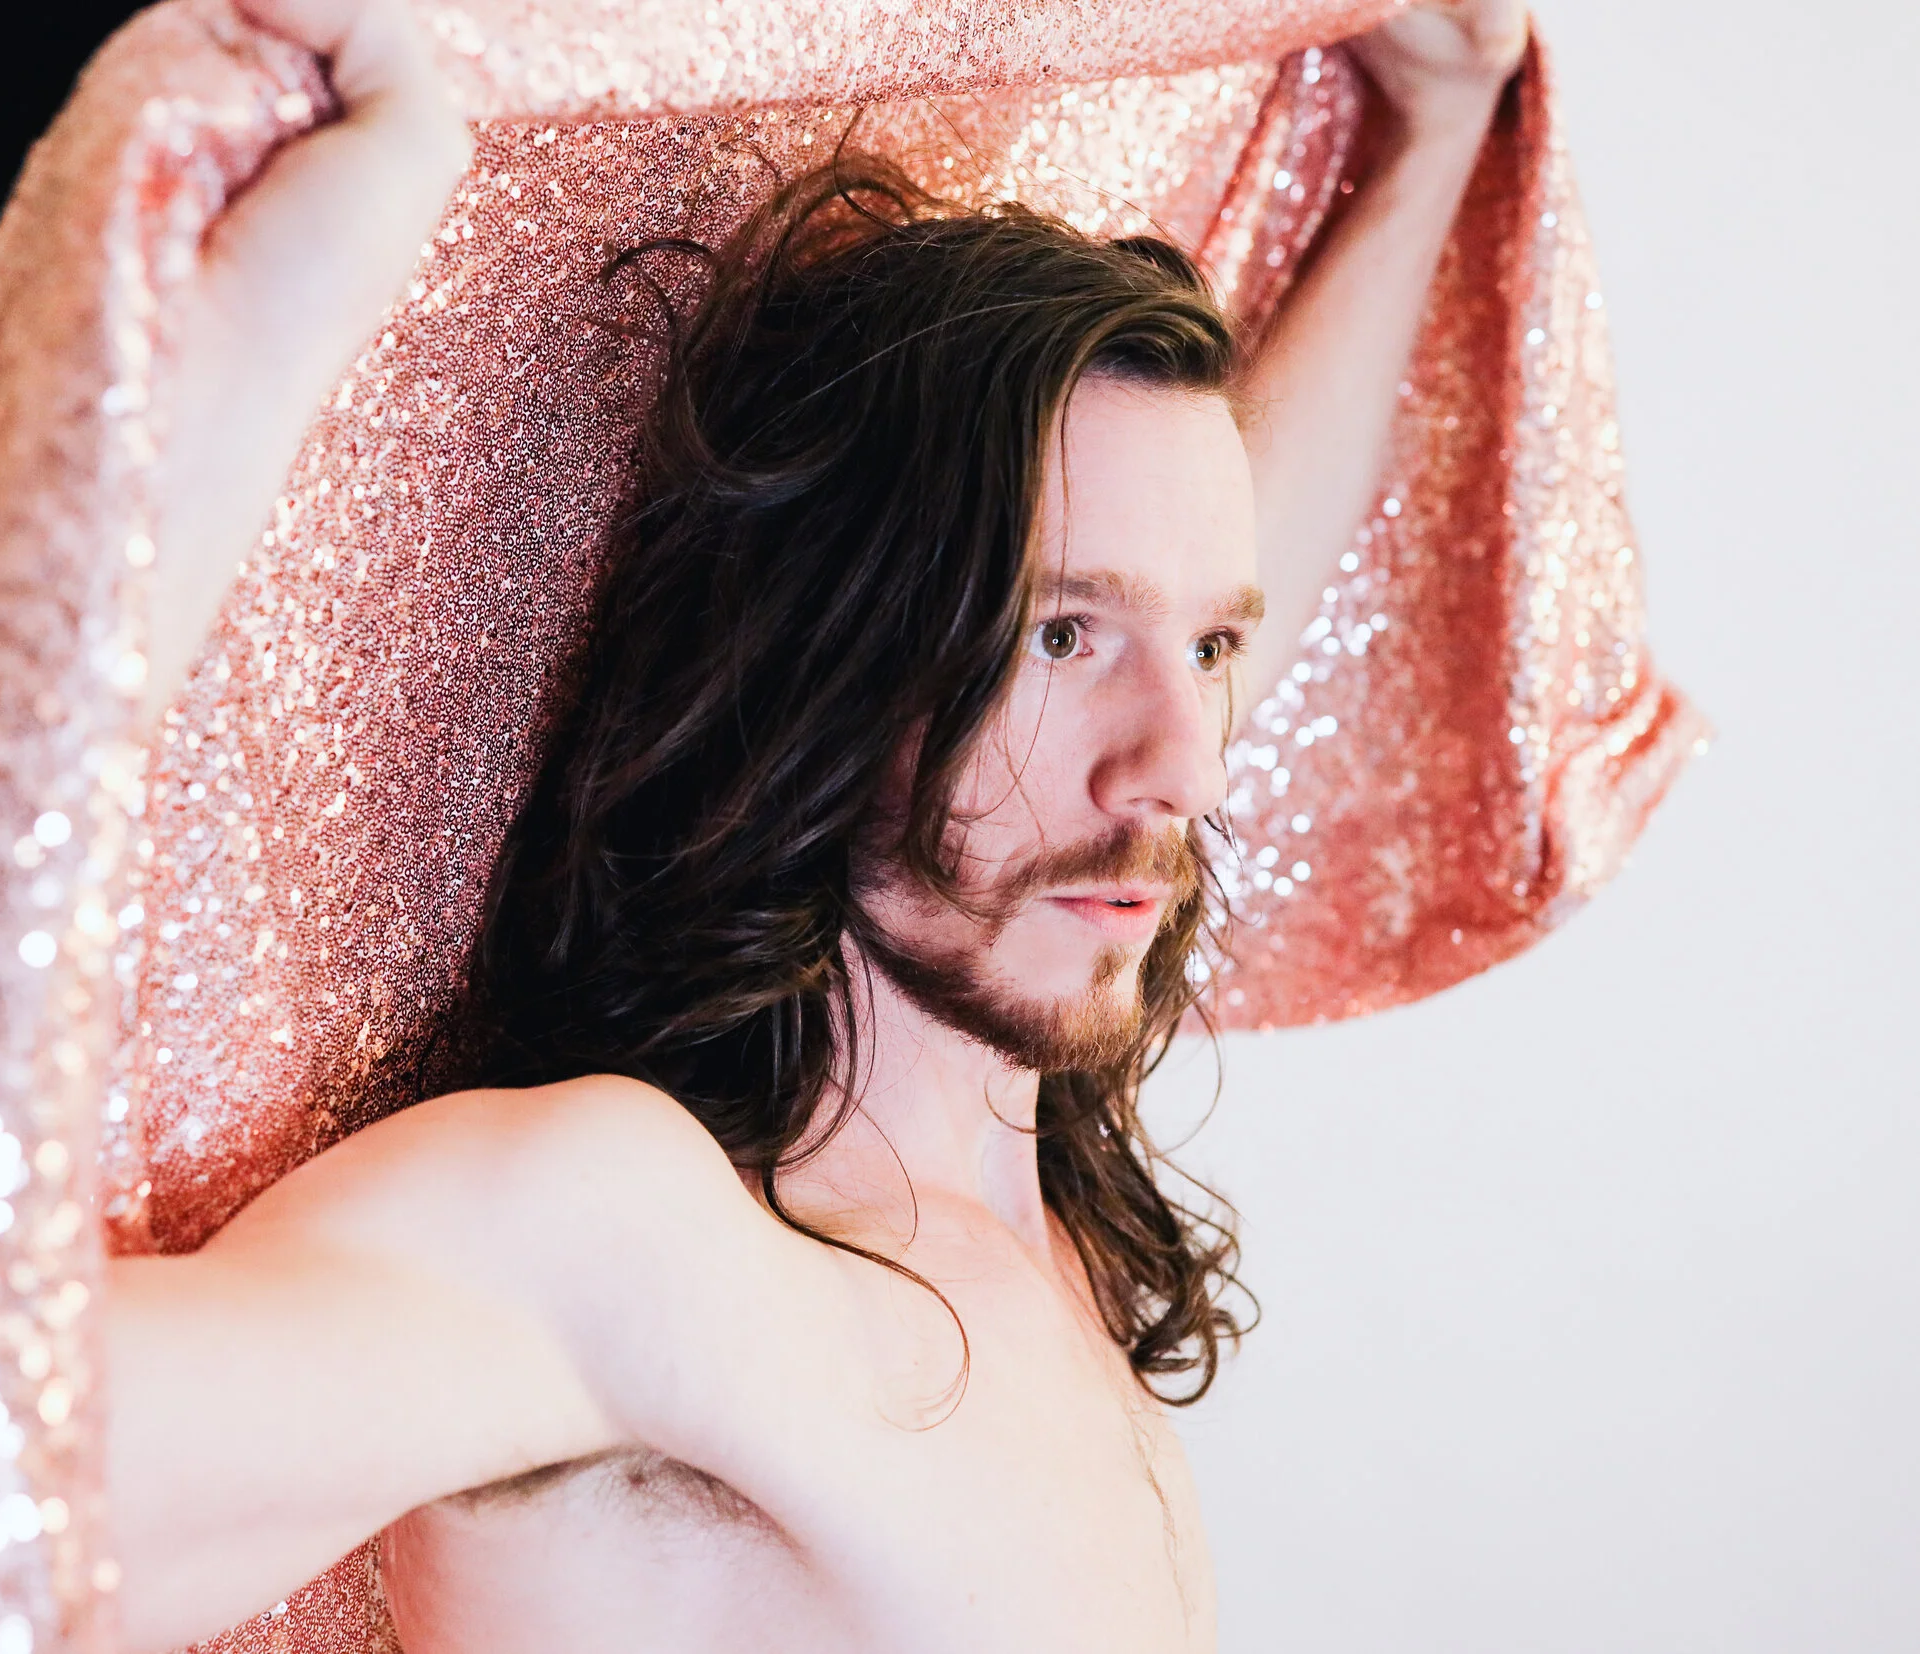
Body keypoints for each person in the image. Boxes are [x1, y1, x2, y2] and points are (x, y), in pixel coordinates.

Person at [106, 1, 1533, 1649]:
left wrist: (1430, 139)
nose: (1183, 771)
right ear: (828, 672)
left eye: (1210, 648)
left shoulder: (1030, 1197)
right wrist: (288, 315)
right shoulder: (644, 1250)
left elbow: (1183, 615)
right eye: (1060, 635)